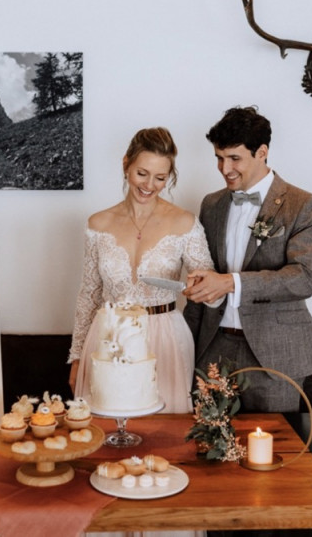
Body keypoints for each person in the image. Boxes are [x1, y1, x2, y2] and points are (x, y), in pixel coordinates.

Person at [183, 106, 312, 412]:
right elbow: (208, 273)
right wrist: (185, 344)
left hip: (275, 353)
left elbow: (303, 278)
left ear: (262, 152)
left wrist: (231, 283)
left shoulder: (303, 205)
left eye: (234, 158)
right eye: (219, 157)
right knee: (209, 450)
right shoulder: (211, 204)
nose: (224, 168)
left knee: (274, 453)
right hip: (213, 348)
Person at [68, 127, 215, 413]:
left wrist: (202, 287)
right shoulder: (97, 224)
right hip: (108, 336)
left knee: (163, 434)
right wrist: (77, 357)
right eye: (142, 173)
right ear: (126, 165)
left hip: (165, 338)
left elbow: (212, 291)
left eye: (161, 177)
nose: (149, 184)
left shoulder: (185, 223)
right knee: (107, 429)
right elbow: (88, 294)